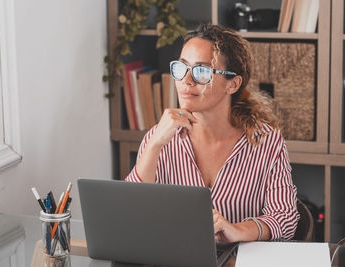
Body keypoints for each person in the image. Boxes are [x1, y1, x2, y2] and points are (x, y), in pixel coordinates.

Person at [125, 24, 299, 243]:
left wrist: (236, 230)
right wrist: (155, 144)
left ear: (232, 84)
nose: (186, 80)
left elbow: (285, 219)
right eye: (182, 67)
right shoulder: (160, 137)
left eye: (201, 71)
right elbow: (130, 214)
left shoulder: (265, 141)